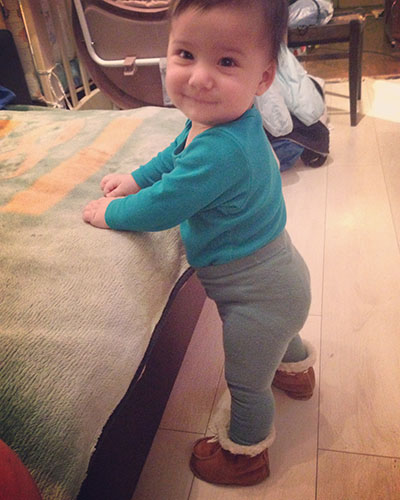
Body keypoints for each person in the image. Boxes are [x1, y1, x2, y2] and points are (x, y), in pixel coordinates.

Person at [82, 0, 316, 487]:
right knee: (279, 335)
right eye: (186, 54)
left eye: (226, 61)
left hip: (257, 300)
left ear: (263, 78)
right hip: (281, 283)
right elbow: (173, 158)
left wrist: (112, 213)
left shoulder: (224, 149)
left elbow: (164, 206)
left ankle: (246, 456)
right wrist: (134, 178)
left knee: (246, 383)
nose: (199, 78)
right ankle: (296, 373)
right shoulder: (216, 122)